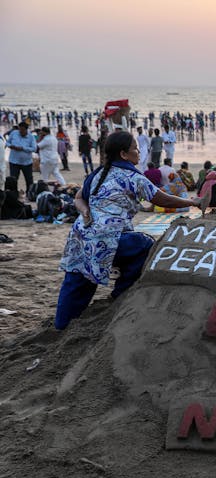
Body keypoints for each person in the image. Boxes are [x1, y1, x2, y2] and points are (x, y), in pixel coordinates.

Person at [55, 131, 201, 330]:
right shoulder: (133, 177)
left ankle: (61, 325)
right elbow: (161, 198)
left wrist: (85, 211)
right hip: (107, 238)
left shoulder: (97, 174)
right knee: (145, 245)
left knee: (78, 278)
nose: (139, 152)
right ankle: (121, 294)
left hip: (81, 234)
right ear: (124, 154)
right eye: (135, 148)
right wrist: (192, 201)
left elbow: (79, 198)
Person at [5, 122, 37, 198]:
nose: (21, 132)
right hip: (14, 161)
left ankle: (30, 194)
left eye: (22, 130)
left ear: (26, 129)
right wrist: (11, 146)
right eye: (20, 130)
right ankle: (13, 195)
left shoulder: (31, 137)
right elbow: (7, 142)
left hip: (27, 162)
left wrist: (23, 148)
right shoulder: (14, 133)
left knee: (29, 180)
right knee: (13, 179)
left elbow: (34, 148)